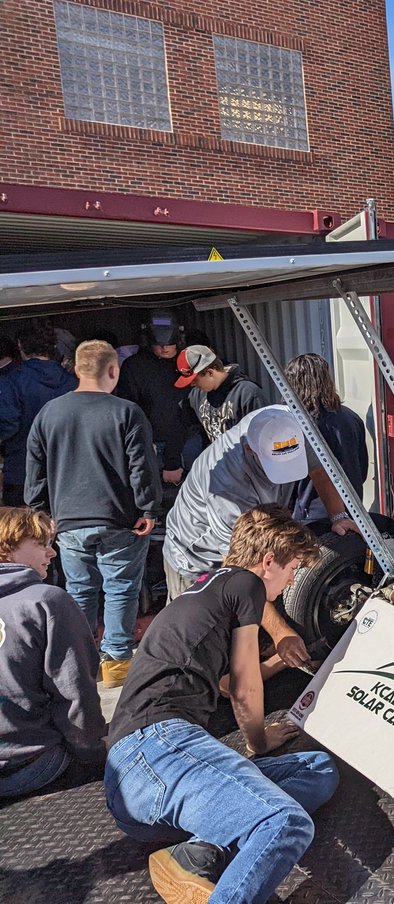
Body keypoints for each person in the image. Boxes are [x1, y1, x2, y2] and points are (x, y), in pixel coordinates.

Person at [105, 505, 337, 904]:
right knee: (286, 823)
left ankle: (196, 853)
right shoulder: (246, 584)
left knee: (318, 770)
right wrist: (260, 742)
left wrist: (283, 657)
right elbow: (246, 690)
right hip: (156, 747)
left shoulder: (207, 588)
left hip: (135, 781)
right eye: (293, 569)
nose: (293, 580)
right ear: (267, 562)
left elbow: (229, 683)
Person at [164, 405, 363, 669]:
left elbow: (317, 470)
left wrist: (338, 517)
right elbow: (240, 572)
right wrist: (280, 633)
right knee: (200, 657)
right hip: (199, 558)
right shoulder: (226, 484)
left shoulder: (290, 426)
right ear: (250, 450)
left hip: (257, 525)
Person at [26, 340, 161, 689]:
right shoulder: (127, 412)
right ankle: (116, 667)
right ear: (113, 370)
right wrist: (148, 507)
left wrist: (41, 513)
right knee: (120, 590)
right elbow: (142, 467)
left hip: (68, 523)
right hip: (120, 519)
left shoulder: (48, 414)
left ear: (75, 369)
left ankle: (81, 664)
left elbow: (35, 471)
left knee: (80, 591)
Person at [0, 507, 106, 798]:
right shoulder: (46, 602)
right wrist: (96, 752)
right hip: (29, 763)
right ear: (7, 548)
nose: (52, 553)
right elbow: (75, 693)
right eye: (41, 544)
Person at [284, 353, 394, 556]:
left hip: (311, 520)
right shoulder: (351, 418)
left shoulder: (294, 424)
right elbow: (362, 470)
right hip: (353, 513)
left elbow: (288, 482)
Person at [0, 320, 77, 506]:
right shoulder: (73, 382)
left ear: (20, 345)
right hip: (67, 471)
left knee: (20, 531)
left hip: (22, 469)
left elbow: (8, 424)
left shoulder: (11, 381)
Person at [117, 310, 191, 486]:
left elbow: (188, 412)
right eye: (158, 343)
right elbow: (129, 409)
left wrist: (173, 459)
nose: (164, 348)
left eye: (170, 343)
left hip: (188, 440)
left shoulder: (190, 364)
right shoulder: (134, 367)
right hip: (150, 444)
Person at [175, 345, 268, 445]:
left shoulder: (247, 393)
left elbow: (265, 435)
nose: (192, 384)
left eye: (194, 380)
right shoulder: (196, 395)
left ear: (210, 372)